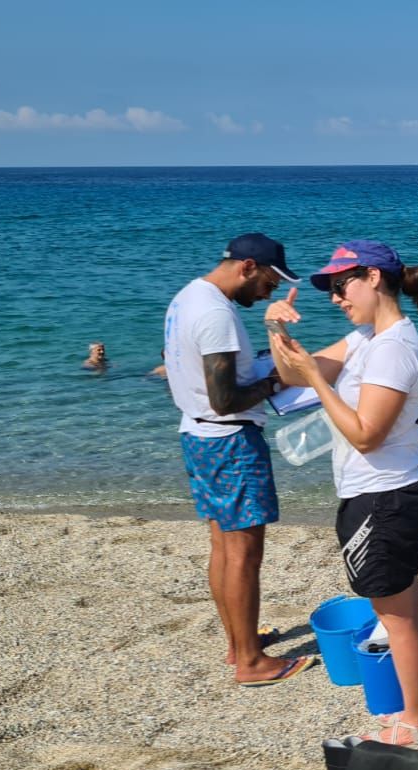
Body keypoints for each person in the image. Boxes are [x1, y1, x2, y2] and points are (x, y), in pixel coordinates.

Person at [267, 240, 418, 745]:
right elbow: (288, 377)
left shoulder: (391, 349)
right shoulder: (367, 339)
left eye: (342, 285)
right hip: (394, 490)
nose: (335, 297)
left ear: (374, 279)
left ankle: (413, 724)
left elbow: (368, 433)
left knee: (395, 613)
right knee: (407, 602)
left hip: (384, 497)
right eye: (331, 288)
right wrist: (276, 330)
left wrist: (317, 386)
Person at [164, 233, 315, 686]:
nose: (270, 289)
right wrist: (277, 383)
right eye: (270, 279)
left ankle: (238, 642)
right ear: (248, 267)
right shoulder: (215, 314)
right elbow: (226, 398)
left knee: (223, 547)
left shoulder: (189, 297)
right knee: (244, 554)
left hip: (198, 434)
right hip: (229, 441)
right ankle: (251, 663)